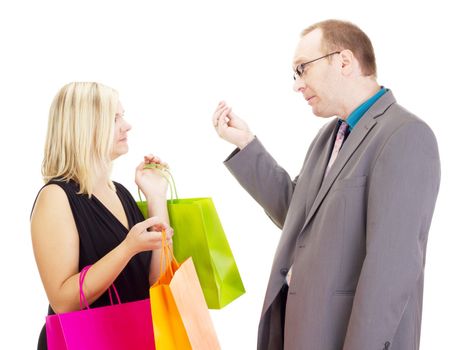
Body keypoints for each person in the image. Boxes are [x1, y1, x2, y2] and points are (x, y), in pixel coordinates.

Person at [212, 19, 441, 350]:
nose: (297, 84)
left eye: (302, 69)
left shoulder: (404, 135)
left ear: (344, 61)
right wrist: (247, 145)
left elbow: (391, 269)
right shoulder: (328, 136)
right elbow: (299, 216)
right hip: (301, 332)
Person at [31, 82, 172, 349]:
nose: (127, 125)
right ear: (85, 127)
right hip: (85, 341)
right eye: (115, 118)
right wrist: (128, 248)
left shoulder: (119, 192)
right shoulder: (56, 197)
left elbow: (156, 283)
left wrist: (156, 197)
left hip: (129, 336)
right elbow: (63, 300)